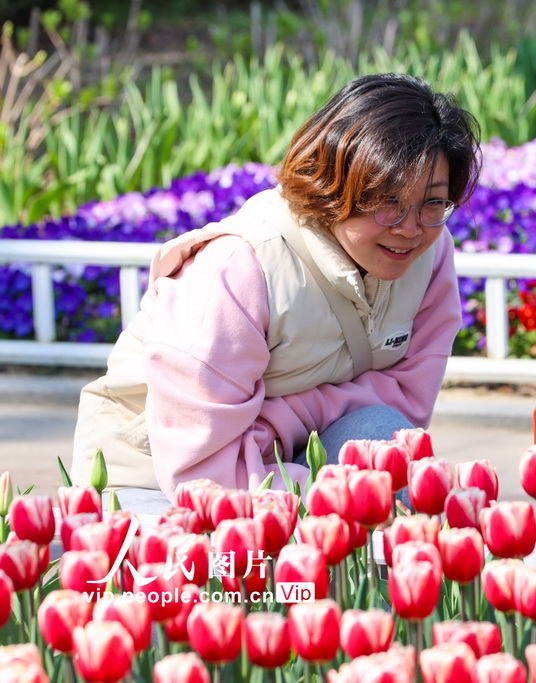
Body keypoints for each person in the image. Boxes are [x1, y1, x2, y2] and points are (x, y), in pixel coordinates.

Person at [71, 73, 481, 512]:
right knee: (226, 572)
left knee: (391, 446)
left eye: (433, 202)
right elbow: (203, 469)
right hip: (159, 472)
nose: (410, 228)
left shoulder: (430, 255)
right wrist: (323, 494)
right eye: (387, 201)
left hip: (283, 450)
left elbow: (407, 401)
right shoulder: (238, 269)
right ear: (333, 183)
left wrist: (276, 424)